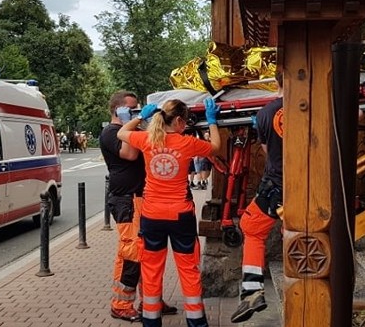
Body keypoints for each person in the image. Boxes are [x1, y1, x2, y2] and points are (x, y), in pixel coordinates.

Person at [118, 98, 221, 327]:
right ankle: (196, 323)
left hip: (152, 215)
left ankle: (151, 322)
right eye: (183, 122)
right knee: (188, 270)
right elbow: (215, 147)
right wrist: (212, 121)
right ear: (177, 120)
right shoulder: (186, 143)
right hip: (180, 215)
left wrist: (139, 118)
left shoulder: (146, 139)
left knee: (152, 270)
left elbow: (121, 134)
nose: (184, 126)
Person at [100, 91, 178, 322]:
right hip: (126, 199)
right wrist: (132, 124)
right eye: (132, 109)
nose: (137, 113)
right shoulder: (111, 132)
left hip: (140, 197)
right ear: (118, 110)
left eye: (138, 109)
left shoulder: (132, 129)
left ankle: (151, 300)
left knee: (149, 251)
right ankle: (121, 304)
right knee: (131, 252)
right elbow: (130, 153)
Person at [231, 71, 284, 323]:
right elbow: (358, 115)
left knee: (251, 228)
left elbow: (267, 151)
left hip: (277, 184)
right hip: (314, 183)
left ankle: (252, 292)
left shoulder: (264, 114)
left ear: (277, 83)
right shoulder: (319, 104)